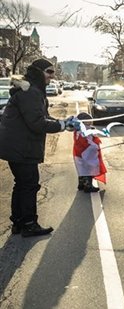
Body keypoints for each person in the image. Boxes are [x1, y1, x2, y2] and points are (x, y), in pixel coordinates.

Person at [0, 59, 75, 237]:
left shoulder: (31, 90)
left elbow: (43, 117)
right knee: (29, 184)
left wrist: (63, 123)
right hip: (22, 147)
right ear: (38, 72)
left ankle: (18, 222)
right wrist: (62, 125)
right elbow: (37, 123)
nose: (51, 76)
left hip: (16, 146)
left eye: (53, 72)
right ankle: (28, 224)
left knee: (22, 184)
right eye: (49, 72)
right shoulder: (30, 92)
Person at [73, 112, 107, 193]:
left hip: (79, 153)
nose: (90, 122)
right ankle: (88, 186)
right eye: (88, 121)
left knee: (81, 170)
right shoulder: (84, 132)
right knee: (88, 169)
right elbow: (88, 142)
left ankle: (81, 184)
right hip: (85, 153)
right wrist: (95, 147)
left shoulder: (78, 130)